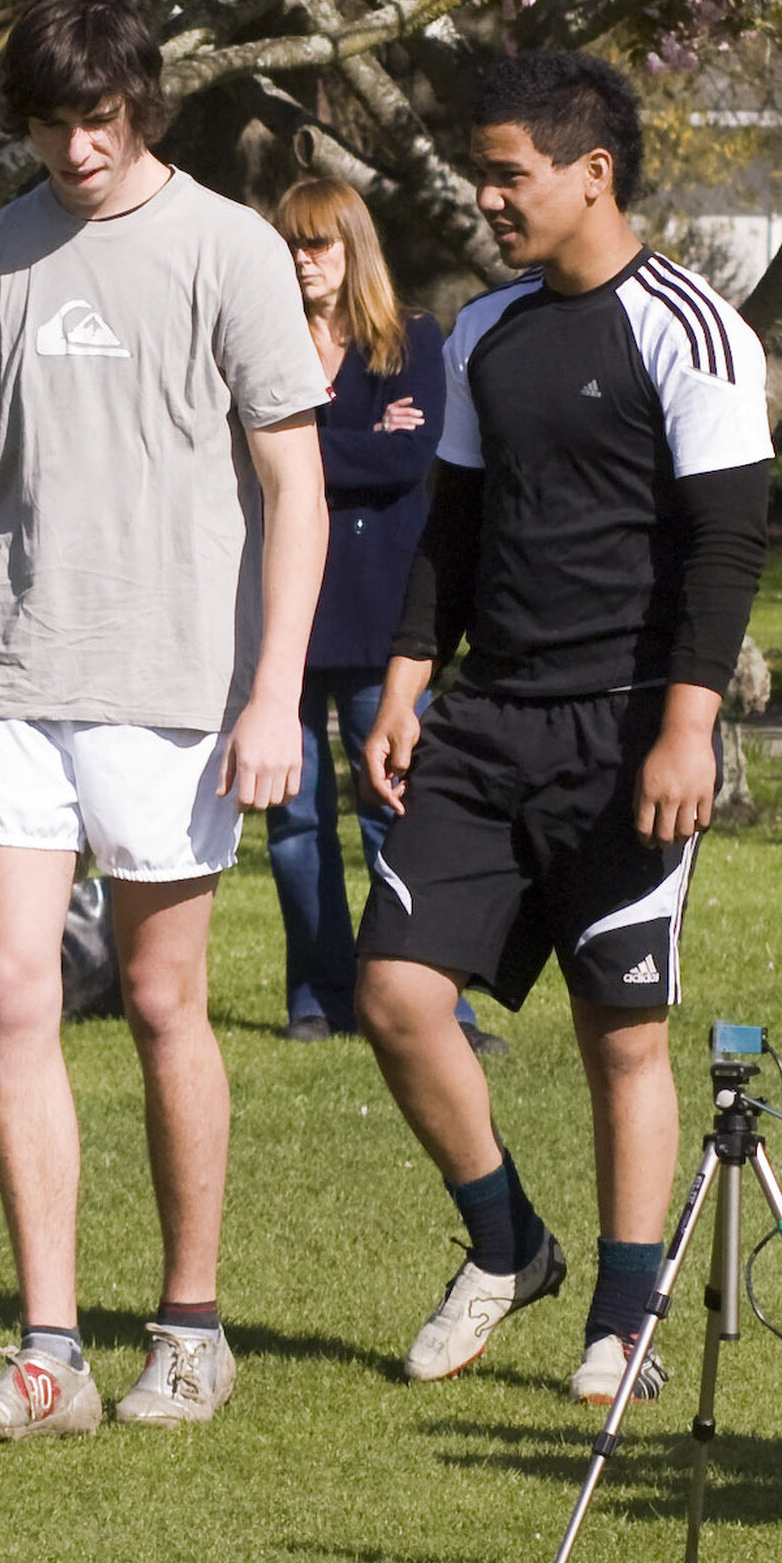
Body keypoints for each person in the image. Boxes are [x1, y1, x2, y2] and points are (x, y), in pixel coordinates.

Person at [0, 0, 329, 1439]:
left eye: (95, 118)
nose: (74, 148)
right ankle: (48, 1355)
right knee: (16, 993)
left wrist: (273, 693)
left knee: (161, 1001)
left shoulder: (232, 248)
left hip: (174, 693)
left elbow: (296, 490)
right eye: (47, 122)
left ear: (140, 103)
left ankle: (192, 1327)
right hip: (13, 685)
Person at [351, 50, 774, 1404]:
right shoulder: (484, 334)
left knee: (622, 1034)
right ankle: (505, 1242)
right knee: (395, 992)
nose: (486, 197)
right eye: (482, 172)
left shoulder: (694, 330)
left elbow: (727, 549)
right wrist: (409, 681)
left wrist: (685, 731)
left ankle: (621, 1313)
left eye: (507, 173)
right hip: (487, 725)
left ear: (592, 174)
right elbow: (452, 533)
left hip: (630, 732)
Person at [259, 176, 492, 1049]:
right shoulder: (263, 340)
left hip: (384, 614)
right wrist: (355, 438)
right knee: (295, 821)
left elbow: (408, 460)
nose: (305, 260)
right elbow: (248, 453)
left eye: (320, 243)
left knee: (399, 808)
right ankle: (318, 996)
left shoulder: (411, 337)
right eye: (291, 243)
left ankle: (438, 1006)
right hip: (285, 610)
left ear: (354, 246)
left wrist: (304, 444)